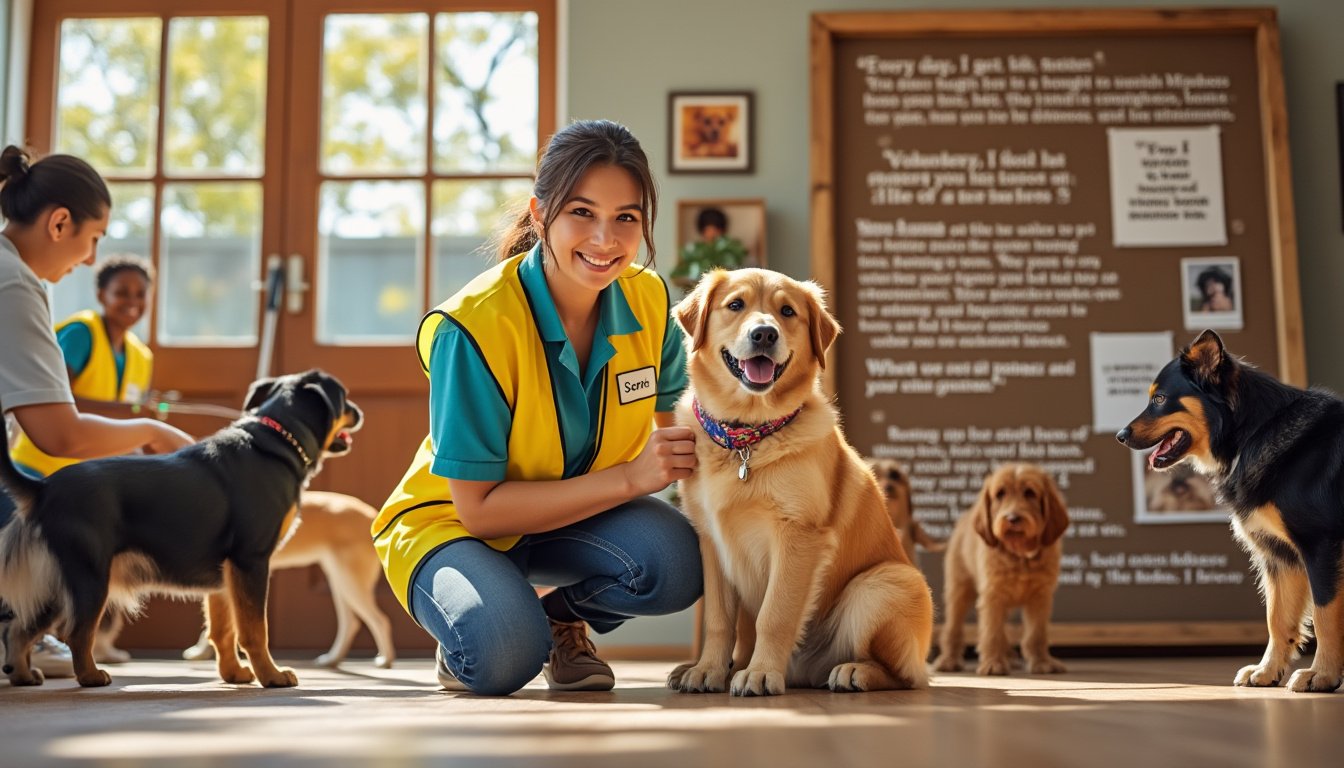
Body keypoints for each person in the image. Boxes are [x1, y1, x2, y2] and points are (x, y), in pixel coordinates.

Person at [372, 120, 702, 696]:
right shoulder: (474, 326)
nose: (605, 240)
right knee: (503, 655)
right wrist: (630, 478)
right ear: (540, 213)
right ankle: (483, 629)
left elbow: (686, 420)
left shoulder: (650, 301)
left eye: (626, 217)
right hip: (453, 526)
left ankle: (556, 619)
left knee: (680, 563)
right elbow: (477, 511)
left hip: (571, 516)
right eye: (582, 212)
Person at [0, 145, 194, 678]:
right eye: (94, 240)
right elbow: (57, 432)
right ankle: (11, 624)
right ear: (60, 223)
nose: (89, 258)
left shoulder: (136, 354)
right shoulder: (16, 285)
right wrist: (154, 431)